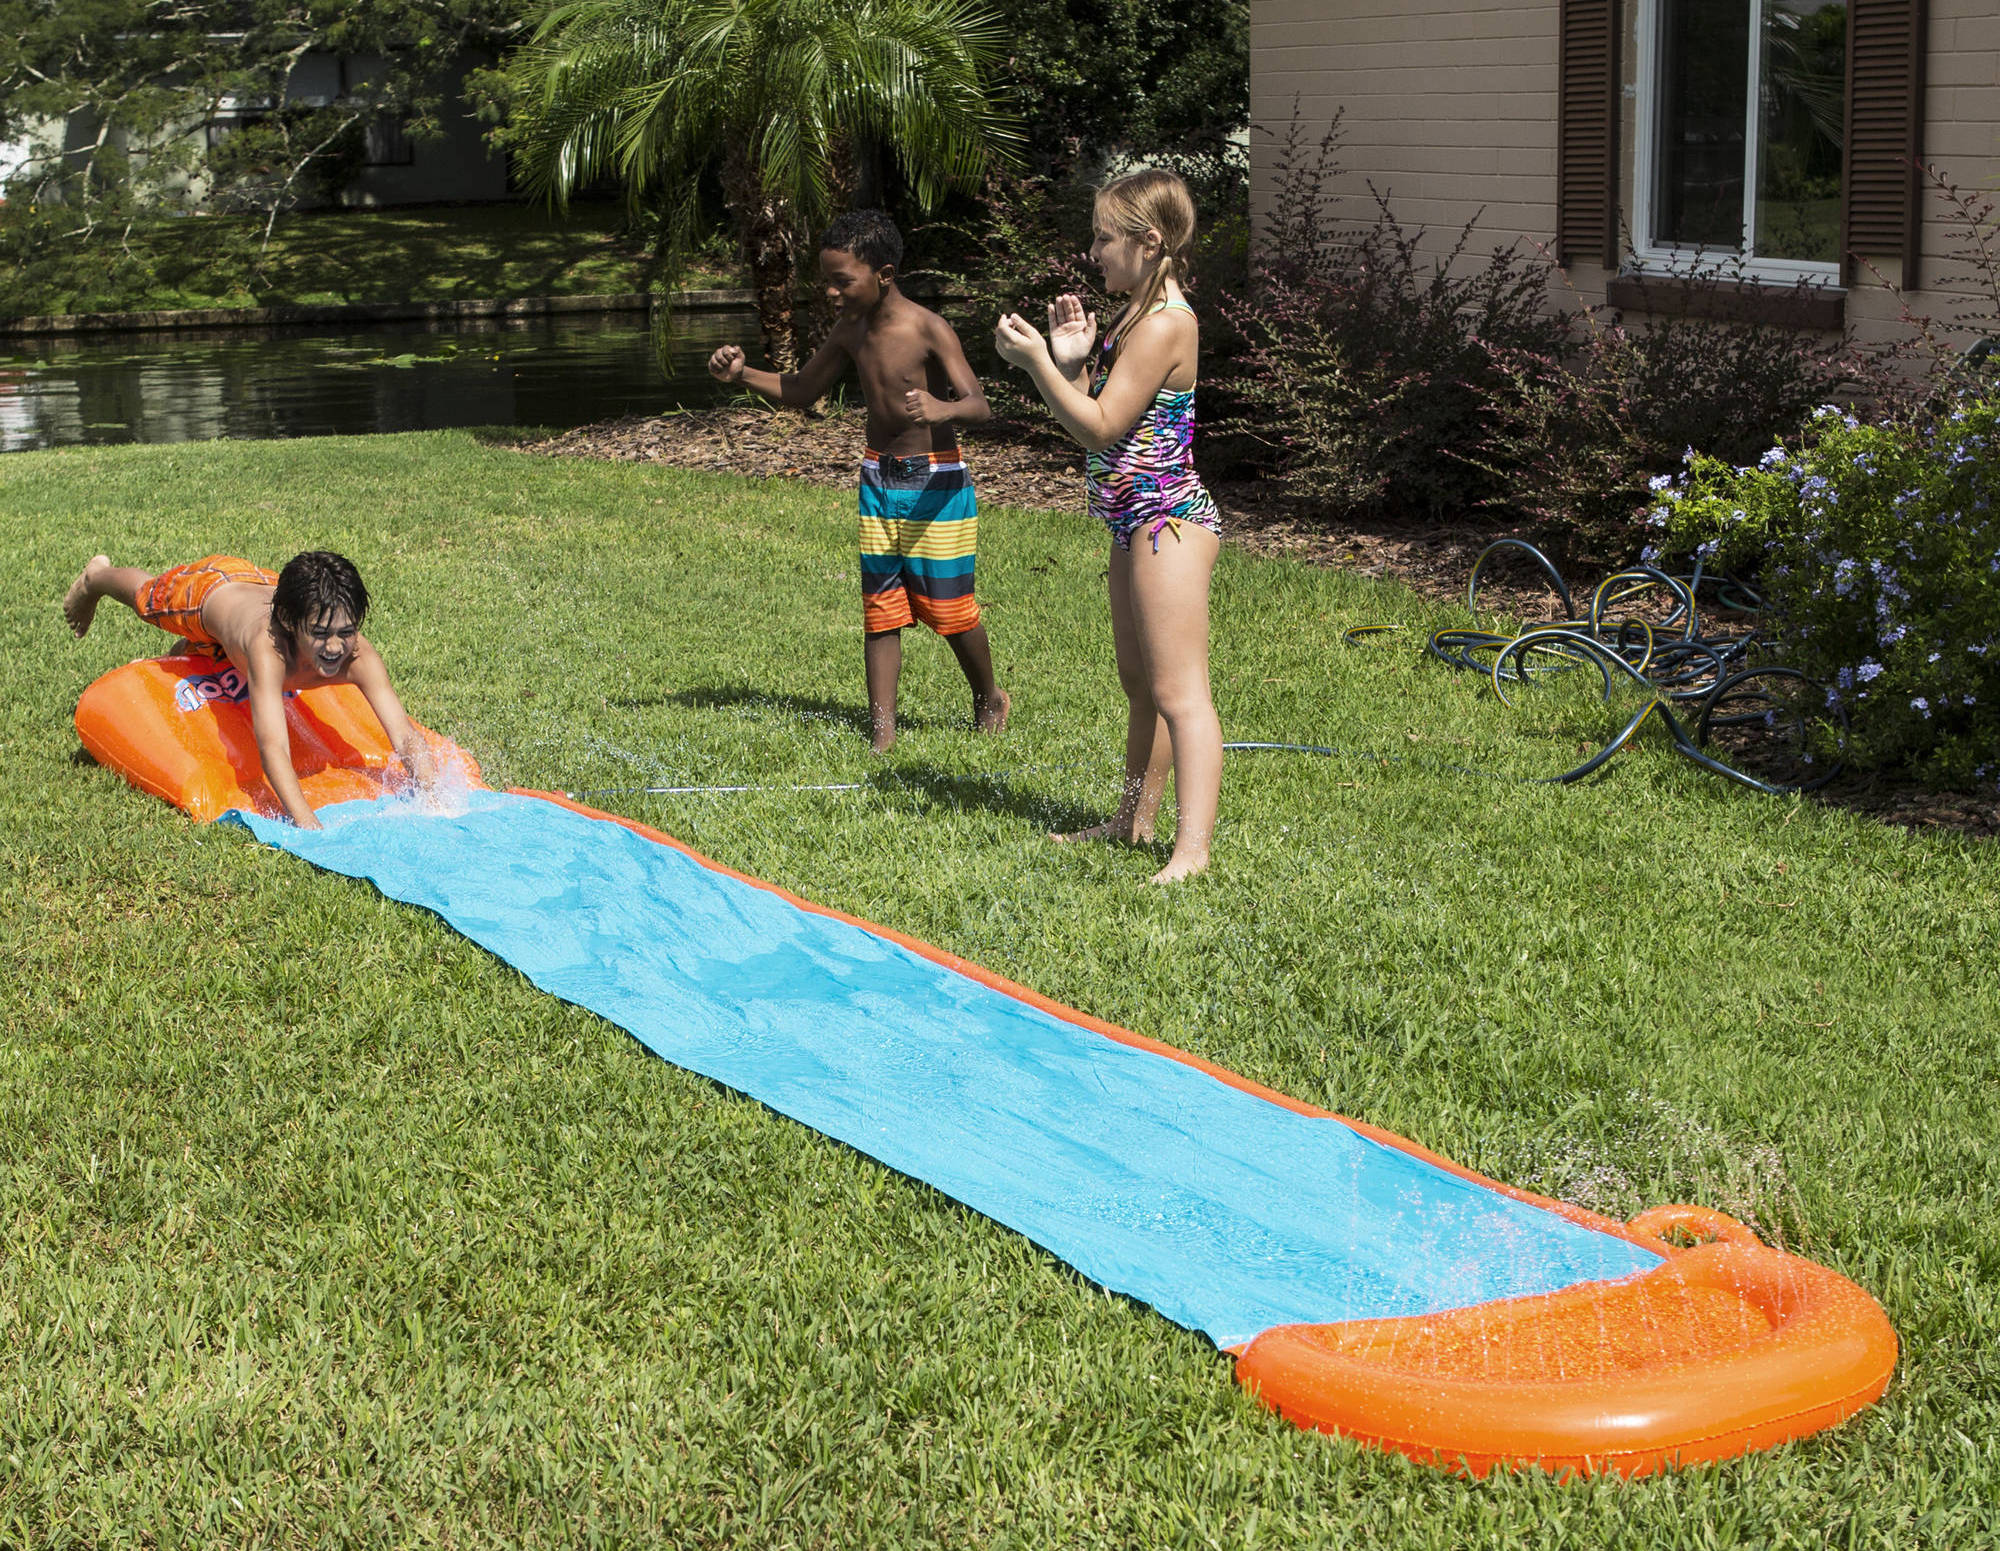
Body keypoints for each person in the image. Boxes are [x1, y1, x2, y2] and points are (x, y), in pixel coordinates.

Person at [993, 168, 1223, 884]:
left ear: (1148, 241)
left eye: (1104, 237)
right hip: (1133, 519)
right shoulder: (1132, 319)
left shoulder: (1164, 325)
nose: (1093, 252)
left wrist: (1038, 367)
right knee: (1140, 683)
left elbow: (1098, 428)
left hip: (1169, 521)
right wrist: (1076, 362)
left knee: (1181, 692)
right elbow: (1105, 410)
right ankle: (1132, 818)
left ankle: (1191, 851)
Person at [708, 208, 1008, 753]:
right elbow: (801, 391)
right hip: (878, 478)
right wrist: (742, 375)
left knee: (947, 608)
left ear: (884, 275)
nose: (830, 291)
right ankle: (882, 733)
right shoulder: (850, 331)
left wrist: (942, 409)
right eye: (827, 279)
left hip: (936, 486)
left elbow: (979, 405)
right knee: (882, 606)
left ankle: (989, 697)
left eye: (841, 280)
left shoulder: (927, 328)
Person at [63, 550, 435, 830]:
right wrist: (309, 825)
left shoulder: (357, 653)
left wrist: (432, 795)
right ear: (290, 624)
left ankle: (190, 654)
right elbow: (273, 747)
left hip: (266, 586)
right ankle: (96, 577)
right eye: (320, 635)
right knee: (148, 598)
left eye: (346, 631)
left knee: (215, 651)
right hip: (213, 590)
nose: (335, 647)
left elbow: (403, 735)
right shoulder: (269, 651)